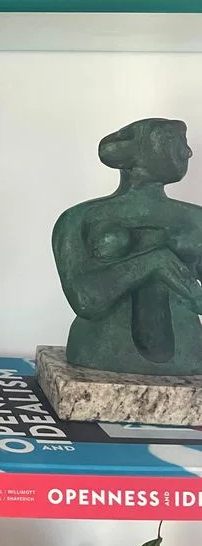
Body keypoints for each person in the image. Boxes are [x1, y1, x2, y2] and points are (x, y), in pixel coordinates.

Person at [53, 118, 202, 375]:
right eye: (173, 140)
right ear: (137, 152)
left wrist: (188, 287)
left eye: (184, 142)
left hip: (188, 356)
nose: (186, 152)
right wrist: (153, 262)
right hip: (98, 354)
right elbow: (85, 299)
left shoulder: (196, 219)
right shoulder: (80, 218)